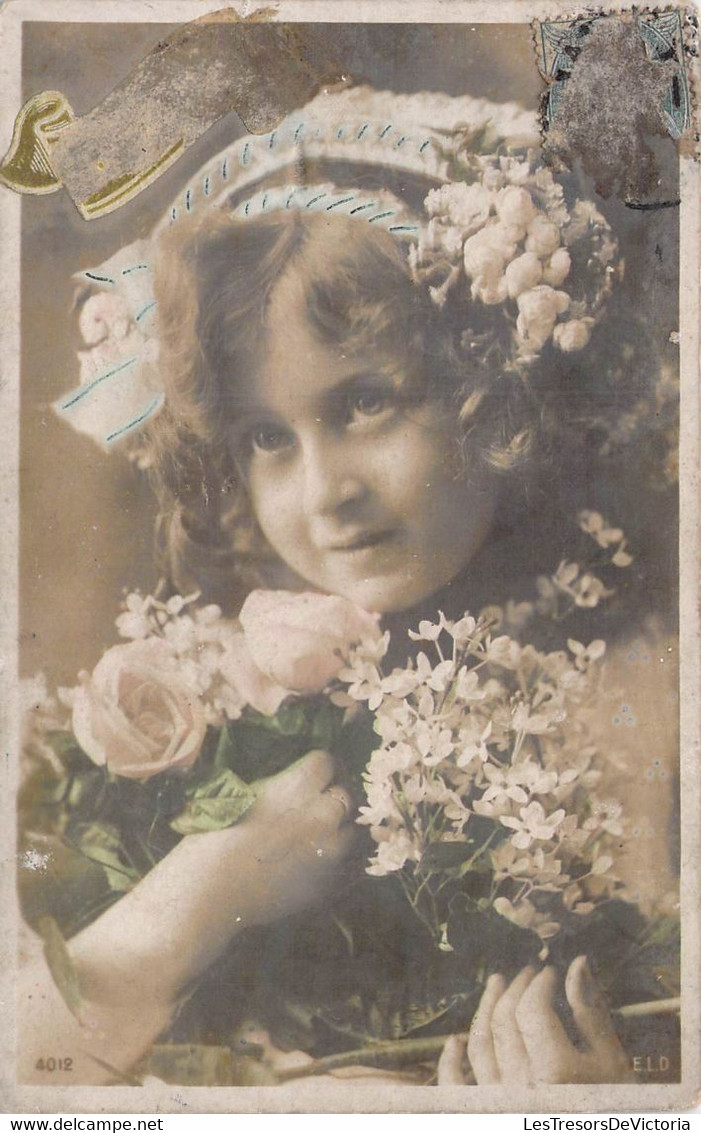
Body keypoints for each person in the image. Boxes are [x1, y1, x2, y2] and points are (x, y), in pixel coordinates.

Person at [19, 87, 678, 1088]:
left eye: (364, 402)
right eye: (268, 438)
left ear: (494, 383)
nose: (324, 493)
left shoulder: (658, 687)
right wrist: (208, 883)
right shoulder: (213, 708)